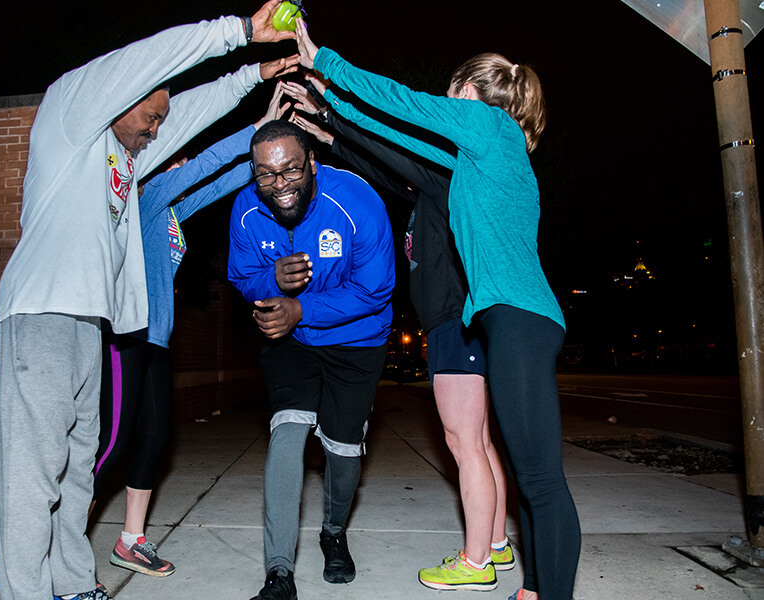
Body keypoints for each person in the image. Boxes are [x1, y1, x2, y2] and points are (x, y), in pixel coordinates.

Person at [0, 4, 296, 599]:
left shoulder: (123, 159)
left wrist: (250, 81)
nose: (157, 129)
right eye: (150, 117)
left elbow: (189, 126)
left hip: (88, 324)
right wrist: (237, 35)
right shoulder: (70, 119)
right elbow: (150, 60)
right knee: (33, 476)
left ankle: (73, 584)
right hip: (41, 313)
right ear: (121, 96)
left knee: (77, 471)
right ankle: (23, 592)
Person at [294, 24, 580, 600]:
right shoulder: (480, 156)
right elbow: (398, 140)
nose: (448, 102)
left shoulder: (491, 125)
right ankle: (533, 588)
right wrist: (330, 111)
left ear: (472, 89)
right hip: (507, 319)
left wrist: (325, 60)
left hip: (520, 316)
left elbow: (403, 103)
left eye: (455, 91)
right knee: (529, 477)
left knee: (542, 482)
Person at [283, 80, 513, 591]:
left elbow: (392, 150)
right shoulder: (441, 181)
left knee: (464, 442)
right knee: (477, 440)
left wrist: (333, 116)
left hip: (457, 320)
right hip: (455, 321)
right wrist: (330, 136)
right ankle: (495, 544)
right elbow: (385, 168)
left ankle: (476, 563)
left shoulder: (451, 172)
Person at [93, 83, 292, 578]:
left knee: (154, 438)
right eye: (175, 155)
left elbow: (219, 182)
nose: (182, 160)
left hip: (155, 340)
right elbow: (205, 165)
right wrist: (255, 130)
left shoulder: (170, 212)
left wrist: (266, 157)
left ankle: (130, 540)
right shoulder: (144, 200)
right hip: (127, 336)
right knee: (111, 443)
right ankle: (48, 536)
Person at [227, 119, 395, 600]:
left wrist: (303, 305)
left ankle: (333, 531)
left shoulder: (358, 202)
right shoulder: (245, 209)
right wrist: (271, 283)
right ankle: (278, 573)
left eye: (290, 171)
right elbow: (242, 277)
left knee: (343, 451)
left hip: (357, 341)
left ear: (312, 164)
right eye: (265, 174)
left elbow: (375, 288)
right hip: (291, 341)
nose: (279, 185)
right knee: (288, 430)